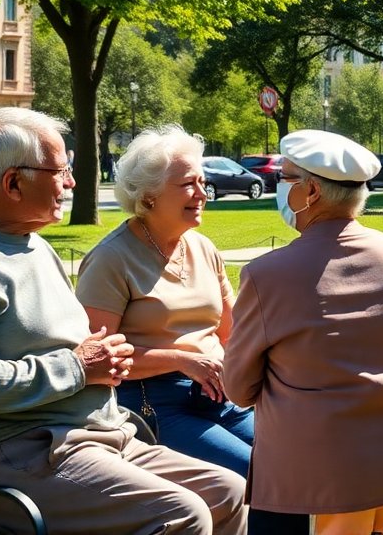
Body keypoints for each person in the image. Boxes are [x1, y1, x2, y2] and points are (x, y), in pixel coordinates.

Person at [0, 107, 246, 535]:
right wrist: (79, 367)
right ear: (13, 183)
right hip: (6, 453)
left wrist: (105, 359)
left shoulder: (31, 245)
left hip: (87, 437)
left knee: (227, 492)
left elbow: (75, 348)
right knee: (181, 513)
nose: (71, 183)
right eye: (60, 171)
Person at [223, 130, 383, 534]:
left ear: (310, 192)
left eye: (285, 178)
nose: (279, 186)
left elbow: (238, 388)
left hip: (315, 479)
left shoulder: (265, 275)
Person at [75, 126, 254, 475]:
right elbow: (95, 360)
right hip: (153, 405)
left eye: (202, 182)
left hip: (219, 394)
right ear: (149, 196)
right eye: (188, 184)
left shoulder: (203, 248)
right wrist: (181, 360)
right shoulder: (111, 258)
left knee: (292, 458)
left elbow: (232, 333)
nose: (202, 193)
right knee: (255, 472)